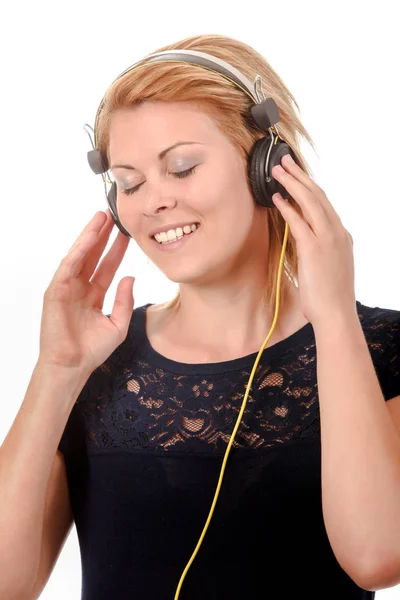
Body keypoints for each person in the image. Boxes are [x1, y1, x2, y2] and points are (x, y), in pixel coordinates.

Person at [1, 33, 400, 600]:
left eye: (182, 167)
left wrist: (333, 316)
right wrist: (55, 370)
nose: (153, 201)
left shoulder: (383, 345)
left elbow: (378, 557)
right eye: (130, 183)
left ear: (267, 166)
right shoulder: (97, 364)